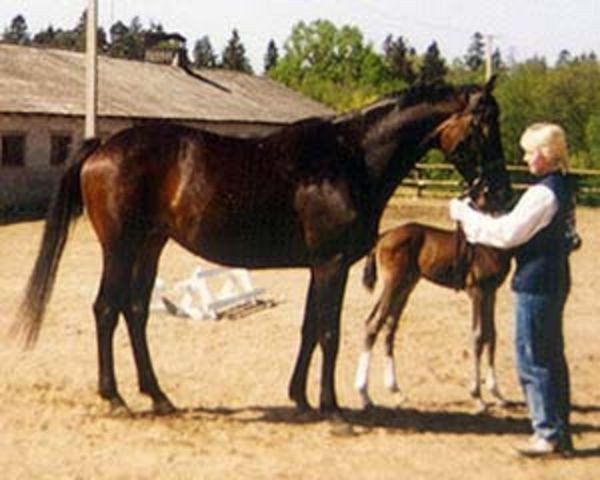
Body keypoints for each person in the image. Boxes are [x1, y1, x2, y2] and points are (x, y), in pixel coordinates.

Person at [449, 122, 577, 457]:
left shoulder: (541, 194)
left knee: (532, 357)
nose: (524, 157)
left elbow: (507, 234)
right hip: (554, 278)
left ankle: (546, 432)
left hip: (535, 281)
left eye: (529, 151)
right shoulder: (561, 187)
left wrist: (465, 216)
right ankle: (558, 430)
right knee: (550, 355)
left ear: (545, 155)